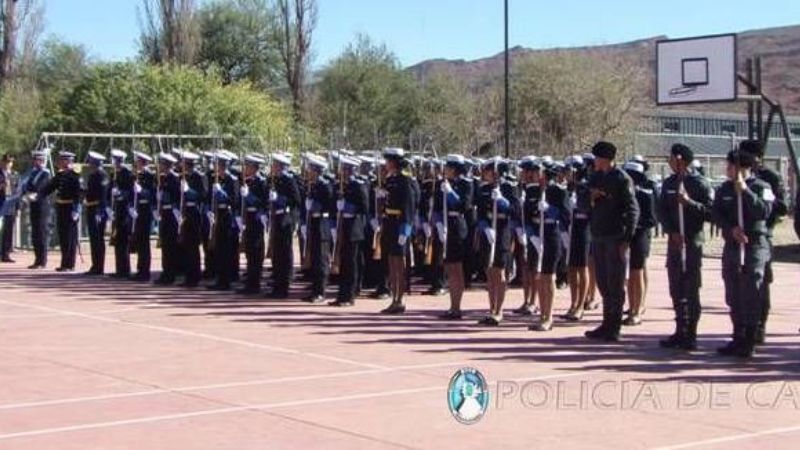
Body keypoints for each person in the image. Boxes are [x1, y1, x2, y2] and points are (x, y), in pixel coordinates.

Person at [713, 149, 774, 359]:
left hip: (754, 246)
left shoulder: (762, 187)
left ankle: (750, 338)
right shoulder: (724, 189)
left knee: (751, 291)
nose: (728, 170)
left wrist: (746, 191)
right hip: (732, 245)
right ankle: (737, 335)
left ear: (743, 168)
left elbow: (765, 212)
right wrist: (731, 229)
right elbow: (716, 213)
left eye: (731, 166)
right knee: (733, 291)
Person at [658, 144, 713, 351]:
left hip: (692, 242)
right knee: (675, 287)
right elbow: (661, 210)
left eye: (671, 158)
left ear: (680, 160)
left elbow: (710, 213)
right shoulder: (669, 183)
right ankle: (680, 329)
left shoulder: (699, 183)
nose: (669, 162)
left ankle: (691, 333)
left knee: (691, 288)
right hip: (675, 241)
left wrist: (689, 202)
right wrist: (671, 231)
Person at [584, 141, 639, 342]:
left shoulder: (622, 179)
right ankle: (606, 323)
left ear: (605, 159)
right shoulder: (595, 177)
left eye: (597, 158)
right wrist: (591, 197)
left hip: (615, 236)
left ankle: (614, 326)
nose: (595, 162)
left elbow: (633, 209)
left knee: (615, 284)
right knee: (603, 282)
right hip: (598, 234)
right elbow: (583, 203)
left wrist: (627, 238)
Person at [740, 139, 788, 345]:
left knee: (760, 282)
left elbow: (781, 208)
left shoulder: (769, 177)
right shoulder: (739, 175)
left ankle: (760, 325)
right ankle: (743, 327)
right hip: (740, 236)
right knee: (741, 284)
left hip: (762, 236)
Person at [476, 156, 518, 326]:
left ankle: (499, 310)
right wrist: (485, 227)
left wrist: (502, 201)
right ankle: (491, 307)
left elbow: (515, 211)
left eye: (488, 171)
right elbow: (479, 212)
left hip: (502, 231)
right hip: (489, 232)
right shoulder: (484, 188)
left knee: (500, 271)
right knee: (489, 271)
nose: (484, 174)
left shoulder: (509, 187)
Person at [528, 160, 569, 332]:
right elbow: (526, 214)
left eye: (537, 172)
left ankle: (548, 316)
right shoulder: (532, 190)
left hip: (552, 235)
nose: (534, 174)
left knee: (548, 276)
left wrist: (550, 210)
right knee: (539, 276)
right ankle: (542, 314)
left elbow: (566, 215)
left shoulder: (558, 192)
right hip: (537, 235)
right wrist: (531, 235)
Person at [379, 148, 416, 314]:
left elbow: (409, 206)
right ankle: (394, 298)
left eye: (388, 161)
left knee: (399, 265)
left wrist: (405, 230)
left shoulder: (405, 181)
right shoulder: (390, 180)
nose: (386, 164)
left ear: (394, 162)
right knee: (391, 264)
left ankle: (400, 299)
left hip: (399, 224)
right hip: (389, 224)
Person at [437, 154, 474, 320]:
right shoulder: (444, 184)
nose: (446, 170)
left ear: (455, 169)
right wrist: (438, 224)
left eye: (448, 167)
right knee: (450, 268)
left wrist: (451, 193)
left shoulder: (466, 184)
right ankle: (452, 306)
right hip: (446, 226)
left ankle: (457, 307)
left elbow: (464, 206)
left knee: (457, 269)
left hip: (458, 226)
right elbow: (437, 206)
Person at [622, 158, 658, 326]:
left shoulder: (646, 190)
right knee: (629, 275)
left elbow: (651, 216)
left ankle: (637, 309)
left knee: (637, 271)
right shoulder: (624, 190)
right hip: (626, 231)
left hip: (641, 232)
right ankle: (632, 307)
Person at [331, 156, 369, 307]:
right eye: (344, 169)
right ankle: (342, 295)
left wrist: (349, 207)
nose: (344, 172)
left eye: (347, 169)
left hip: (354, 227)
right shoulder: (343, 185)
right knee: (344, 261)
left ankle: (350, 295)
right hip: (344, 226)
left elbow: (365, 207)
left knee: (351, 263)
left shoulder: (358, 185)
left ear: (353, 170)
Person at [40, 151, 82, 272]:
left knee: (70, 237)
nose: (61, 162)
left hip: (70, 207)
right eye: (61, 160)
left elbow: (79, 194)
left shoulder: (75, 174)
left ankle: (70, 264)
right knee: (63, 236)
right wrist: (39, 194)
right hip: (61, 207)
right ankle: (64, 263)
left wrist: (76, 209)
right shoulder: (60, 174)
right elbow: (50, 186)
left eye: (64, 160)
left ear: (69, 161)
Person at [265, 153, 301, 298]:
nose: (272, 167)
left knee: (284, 254)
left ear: (280, 166)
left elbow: (296, 199)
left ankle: (283, 286)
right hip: (276, 218)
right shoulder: (275, 179)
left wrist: (281, 199)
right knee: (277, 254)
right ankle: (277, 285)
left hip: (286, 219)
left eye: (274, 164)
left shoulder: (288, 180)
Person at [563, 155, 591, 321]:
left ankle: (581, 304)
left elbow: (590, 209)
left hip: (583, 228)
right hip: (570, 228)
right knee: (572, 268)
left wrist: (580, 204)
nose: (567, 173)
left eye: (569, 170)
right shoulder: (568, 188)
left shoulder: (585, 186)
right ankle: (573, 303)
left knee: (582, 267)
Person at [207, 151, 240, 291]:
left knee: (226, 250)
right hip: (217, 215)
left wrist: (222, 193)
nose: (214, 167)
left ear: (222, 165)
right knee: (218, 249)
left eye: (216, 164)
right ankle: (220, 278)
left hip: (227, 215)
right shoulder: (216, 179)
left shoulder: (232, 180)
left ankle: (225, 280)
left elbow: (235, 200)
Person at [237, 154, 269, 295]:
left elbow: (264, 202)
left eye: (248, 166)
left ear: (254, 168)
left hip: (256, 218)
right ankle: (250, 282)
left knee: (256, 251)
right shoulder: (247, 181)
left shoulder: (261, 182)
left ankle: (255, 284)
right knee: (249, 251)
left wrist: (249, 196)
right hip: (248, 218)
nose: (245, 169)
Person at [154, 152, 181, 285]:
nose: (160, 166)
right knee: (165, 244)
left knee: (170, 245)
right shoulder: (163, 178)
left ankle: (170, 274)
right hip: (165, 214)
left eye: (162, 163)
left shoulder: (174, 178)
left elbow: (176, 197)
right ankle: (166, 272)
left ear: (167, 165)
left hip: (172, 214)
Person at [178, 151, 204, 288]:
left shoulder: (198, 177)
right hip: (185, 212)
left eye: (182, 163)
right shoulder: (183, 177)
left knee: (193, 247)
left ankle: (194, 276)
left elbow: (202, 196)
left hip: (194, 213)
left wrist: (189, 191)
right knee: (186, 245)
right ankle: (188, 275)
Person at [82, 151, 110, 275]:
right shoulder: (93, 175)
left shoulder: (102, 175)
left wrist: (100, 211)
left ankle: (99, 267)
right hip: (91, 208)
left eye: (91, 162)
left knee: (98, 239)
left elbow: (103, 195)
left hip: (98, 209)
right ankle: (95, 265)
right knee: (94, 239)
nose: (89, 165)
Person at [130, 151, 156, 282]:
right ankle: (140, 269)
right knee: (139, 241)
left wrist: (142, 191)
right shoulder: (136, 175)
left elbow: (152, 194)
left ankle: (145, 271)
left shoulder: (150, 175)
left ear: (143, 162)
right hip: (137, 210)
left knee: (144, 242)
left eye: (138, 161)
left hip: (145, 210)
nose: (136, 164)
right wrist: (131, 207)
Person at [24, 150, 51, 269]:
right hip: (33, 203)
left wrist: (34, 193)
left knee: (41, 232)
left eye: (38, 160)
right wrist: (27, 193)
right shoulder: (33, 173)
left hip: (42, 204)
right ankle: (37, 259)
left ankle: (43, 260)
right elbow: (28, 185)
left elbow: (41, 187)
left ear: (42, 161)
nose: (35, 162)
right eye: (35, 160)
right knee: (35, 232)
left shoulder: (45, 173)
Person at [109, 149, 134, 278]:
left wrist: (121, 194)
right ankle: (119, 268)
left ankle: (125, 269)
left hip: (125, 210)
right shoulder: (114, 173)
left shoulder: (127, 173)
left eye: (115, 160)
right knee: (117, 239)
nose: (114, 162)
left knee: (123, 240)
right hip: (117, 209)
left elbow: (130, 191)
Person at [1, 154, 19, 263]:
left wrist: (17, 207)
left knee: (8, 231)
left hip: (10, 205)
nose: (8, 164)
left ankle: (6, 254)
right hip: (1, 204)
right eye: (6, 162)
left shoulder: (15, 174)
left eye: (10, 162)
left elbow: (18, 191)